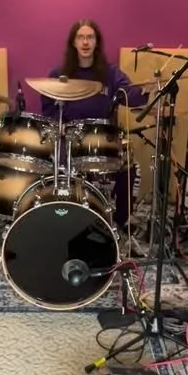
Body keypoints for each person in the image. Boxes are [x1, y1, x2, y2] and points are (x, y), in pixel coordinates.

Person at [39, 19, 148, 230]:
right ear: (73, 42)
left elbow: (130, 95)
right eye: (80, 37)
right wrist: (60, 128)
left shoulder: (110, 74)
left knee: (129, 167)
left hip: (103, 140)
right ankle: (70, 217)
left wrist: (147, 92)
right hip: (69, 140)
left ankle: (119, 221)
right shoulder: (59, 75)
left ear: (96, 42)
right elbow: (49, 110)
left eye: (90, 37)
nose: (85, 42)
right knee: (62, 169)